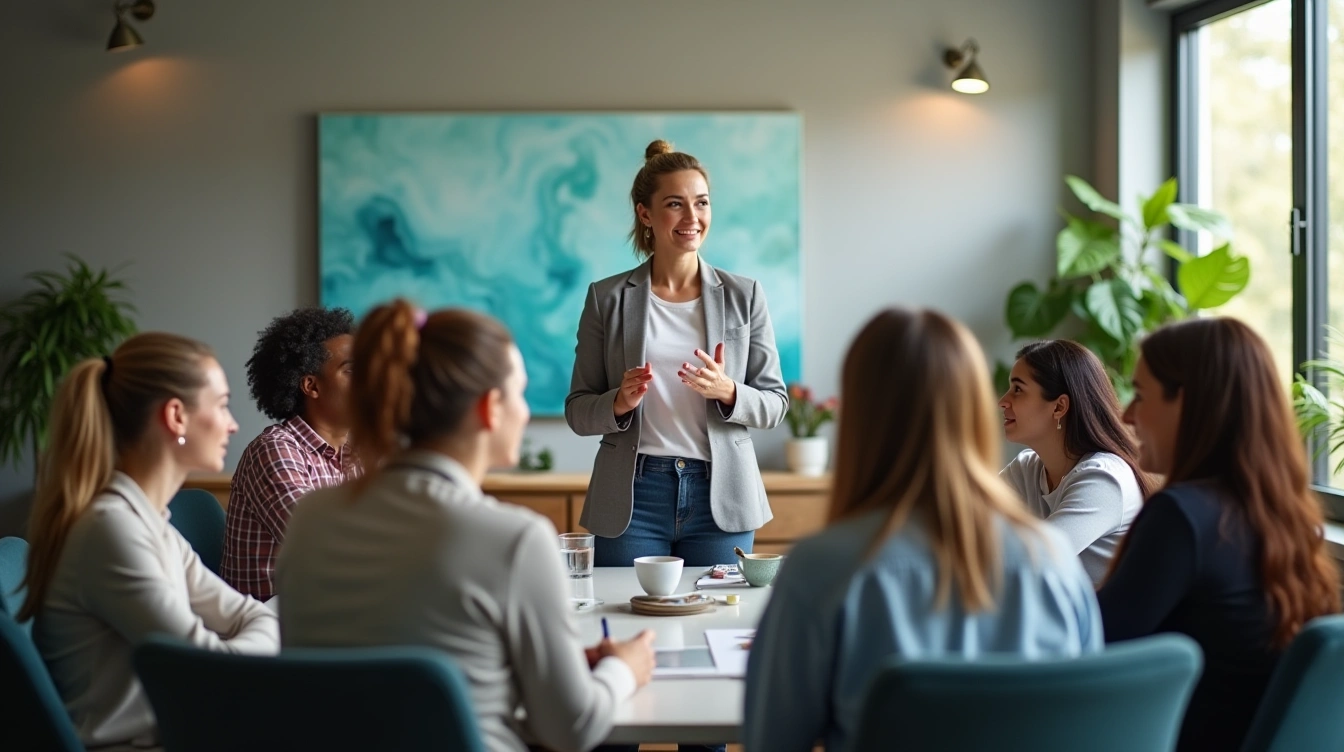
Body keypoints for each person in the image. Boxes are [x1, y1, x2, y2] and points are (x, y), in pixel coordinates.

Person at [276, 300, 656, 752]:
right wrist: (625, 670)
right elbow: (571, 728)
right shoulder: (515, 539)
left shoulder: (311, 519)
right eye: (520, 393)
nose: (525, 412)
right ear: (491, 408)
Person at [744, 308, 1101, 752]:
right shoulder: (1052, 559)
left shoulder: (822, 567)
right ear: (971, 406)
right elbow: (1085, 723)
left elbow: (772, 740)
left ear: (861, 415)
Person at [19, 333, 279, 750]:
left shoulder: (150, 524)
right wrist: (260, 634)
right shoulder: (111, 531)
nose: (233, 423)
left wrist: (254, 632)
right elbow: (209, 671)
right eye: (222, 404)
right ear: (176, 416)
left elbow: (248, 616)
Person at [1098, 318, 1341, 751]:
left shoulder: (1181, 516)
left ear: (1188, 404)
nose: (1126, 415)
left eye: (1141, 393)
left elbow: (1090, 650)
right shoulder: (1284, 514)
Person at [566, 139, 788, 568]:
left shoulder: (745, 296)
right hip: (633, 496)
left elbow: (775, 406)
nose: (692, 218)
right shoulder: (606, 298)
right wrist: (618, 402)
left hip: (722, 495)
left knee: (717, 624)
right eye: (675, 204)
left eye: (701, 203)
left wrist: (728, 391)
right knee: (630, 620)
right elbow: (577, 411)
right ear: (645, 213)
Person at [222, 307, 356, 601]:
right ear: (312, 386)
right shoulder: (275, 450)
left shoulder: (358, 455)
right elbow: (328, 546)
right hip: (276, 633)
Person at [998, 340, 1154, 585]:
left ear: (1059, 406)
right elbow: (964, 516)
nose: (1003, 401)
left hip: (1107, 623)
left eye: (1018, 390)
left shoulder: (1104, 479)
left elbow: (1030, 561)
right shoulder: (1027, 469)